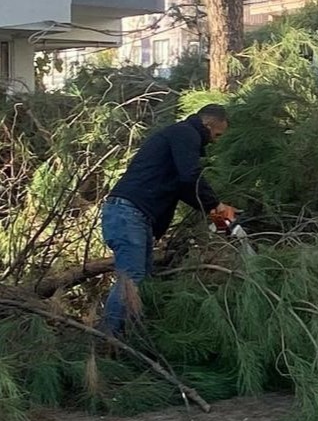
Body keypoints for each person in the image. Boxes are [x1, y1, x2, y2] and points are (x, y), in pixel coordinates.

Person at [99, 104, 237, 336]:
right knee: (131, 279)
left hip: (134, 215)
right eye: (217, 135)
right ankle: (107, 339)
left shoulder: (181, 139)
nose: (215, 141)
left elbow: (185, 188)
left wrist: (216, 214)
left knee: (142, 280)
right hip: (128, 212)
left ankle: (132, 338)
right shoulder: (186, 134)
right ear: (207, 125)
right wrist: (216, 205)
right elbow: (190, 176)